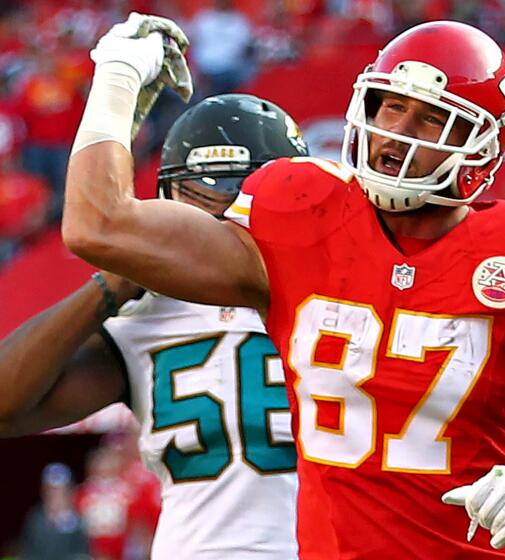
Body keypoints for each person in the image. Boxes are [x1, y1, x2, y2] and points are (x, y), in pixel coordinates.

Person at [61, 15, 505, 558]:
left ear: (483, 145)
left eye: (433, 118)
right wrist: (116, 75)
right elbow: (98, 224)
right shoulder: (301, 219)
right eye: (389, 106)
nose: (398, 132)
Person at [0, 93, 309, 559]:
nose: (212, 217)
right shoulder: (149, 313)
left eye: (230, 193)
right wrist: (111, 286)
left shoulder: (337, 291)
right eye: (193, 194)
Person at [19, 462, 90, 560]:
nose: (55, 496)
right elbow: (28, 551)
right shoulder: (35, 519)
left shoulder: (78, 521)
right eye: (51, 491)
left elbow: (82, 553)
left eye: (61, 491)